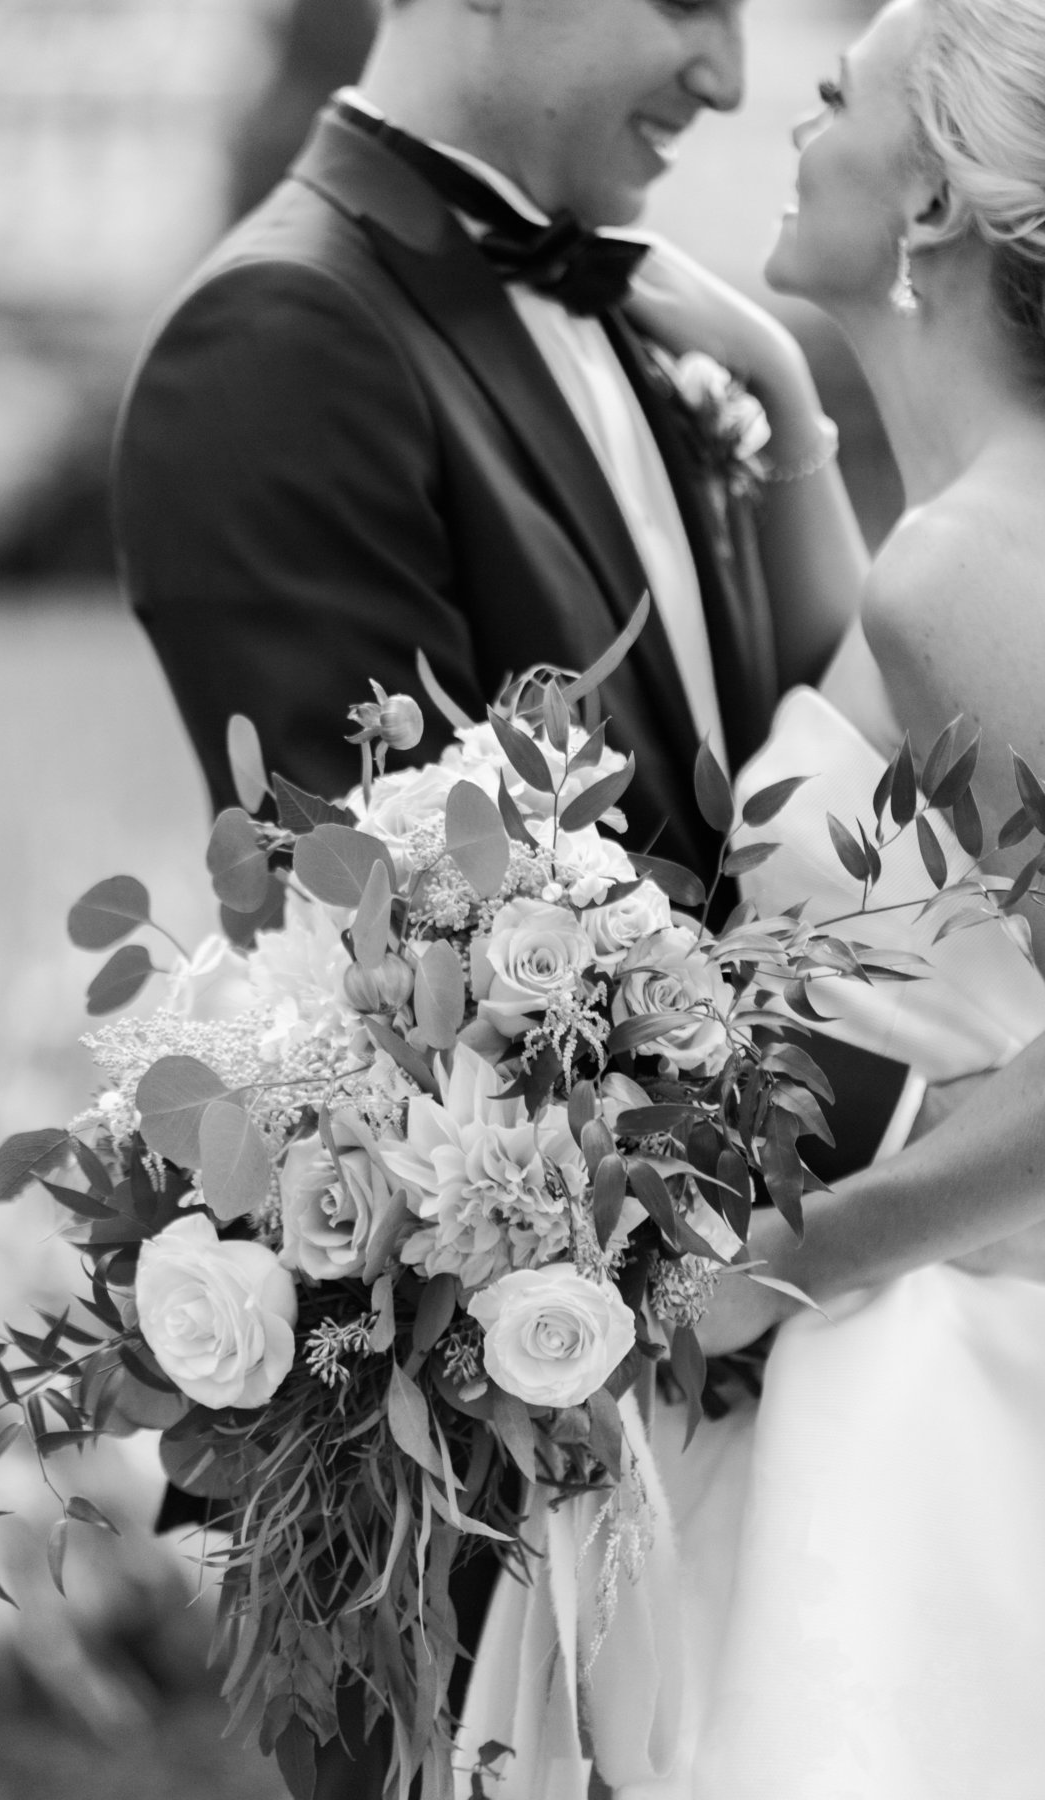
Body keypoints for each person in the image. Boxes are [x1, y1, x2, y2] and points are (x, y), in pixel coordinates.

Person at [113, 8, 914, 1794]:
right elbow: (423, 971)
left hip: (759, 1402)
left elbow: (812, 835)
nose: (722, 77)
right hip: (468, 1452)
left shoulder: (700, 340)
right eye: (687, 2)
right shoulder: (280, 340)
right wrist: (959, 1132)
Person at [462, 1, 1045, 1792]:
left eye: (827, 99)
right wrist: (786, 389)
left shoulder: (965, 573)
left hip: (908, 1377)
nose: (779, 123)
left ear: (933, 202)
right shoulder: (961, 535)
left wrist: (753, 1280)